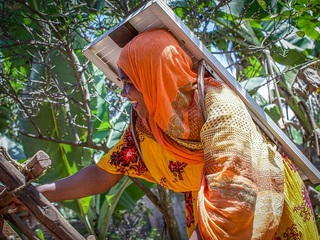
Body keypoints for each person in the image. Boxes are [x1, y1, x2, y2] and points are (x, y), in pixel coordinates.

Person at [9, 29, 318, 239]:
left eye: (131, 83)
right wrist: (36, 195)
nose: (125, 93)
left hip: (266, 208)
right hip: (212, 215)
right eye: (122, 84)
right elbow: (104, 174)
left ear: (157, 75)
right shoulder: (148, 123)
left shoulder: (220, 107)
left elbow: (238, 192)